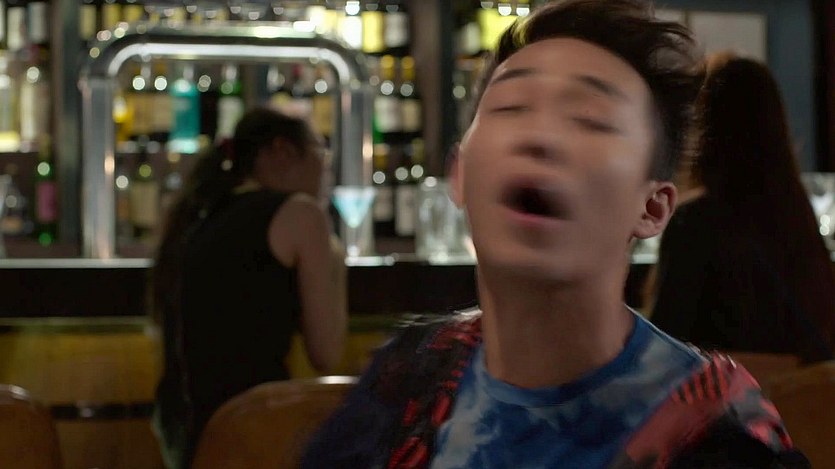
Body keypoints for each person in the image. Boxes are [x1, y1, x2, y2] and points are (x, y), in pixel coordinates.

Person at [301, 1, 810, 467]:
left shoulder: (711, 429)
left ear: (653, 207)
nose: (540, 136)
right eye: (511, 107)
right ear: (459, 174)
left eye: (590, 118)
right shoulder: (410, 376)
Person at [151, 107, 347, 469]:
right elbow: (327, 353)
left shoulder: (203, 215)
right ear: (282, 151)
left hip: (194, 440)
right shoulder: (300, 214)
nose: (326, 172)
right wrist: (334, 254)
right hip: (258, 435)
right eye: (321, 154)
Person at [649, 53, 835, 364]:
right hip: (795, 395)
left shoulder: (694, 222)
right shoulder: (797, 220)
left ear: (705, 129)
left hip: (725, 394)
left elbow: (665, 347)